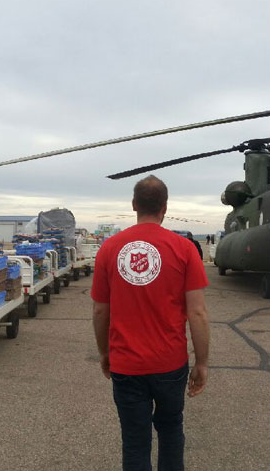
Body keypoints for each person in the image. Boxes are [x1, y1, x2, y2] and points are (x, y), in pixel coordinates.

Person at [91, 175, 210, 471]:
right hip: (170, 364)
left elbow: (99, 312)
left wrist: (105, 353)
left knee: (135, 441)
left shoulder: (109, 249)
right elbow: (197, 313)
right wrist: (202, 362)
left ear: (134, 205)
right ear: (165, 207)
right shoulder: (184, 249)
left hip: (126, 364)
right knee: (170, 431)